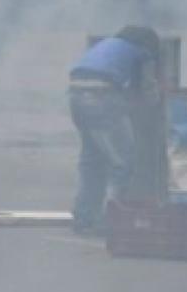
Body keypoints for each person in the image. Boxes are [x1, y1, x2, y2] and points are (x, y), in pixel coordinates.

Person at [68, 25, 161, 234]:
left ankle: (83, 217)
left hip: (75, 96)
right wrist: (157, 109)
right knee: (122, 162)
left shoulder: (106, 45)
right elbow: (148, 90)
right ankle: (109, 219)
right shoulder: (142, 52)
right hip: (102, 97)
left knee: (91, 160)